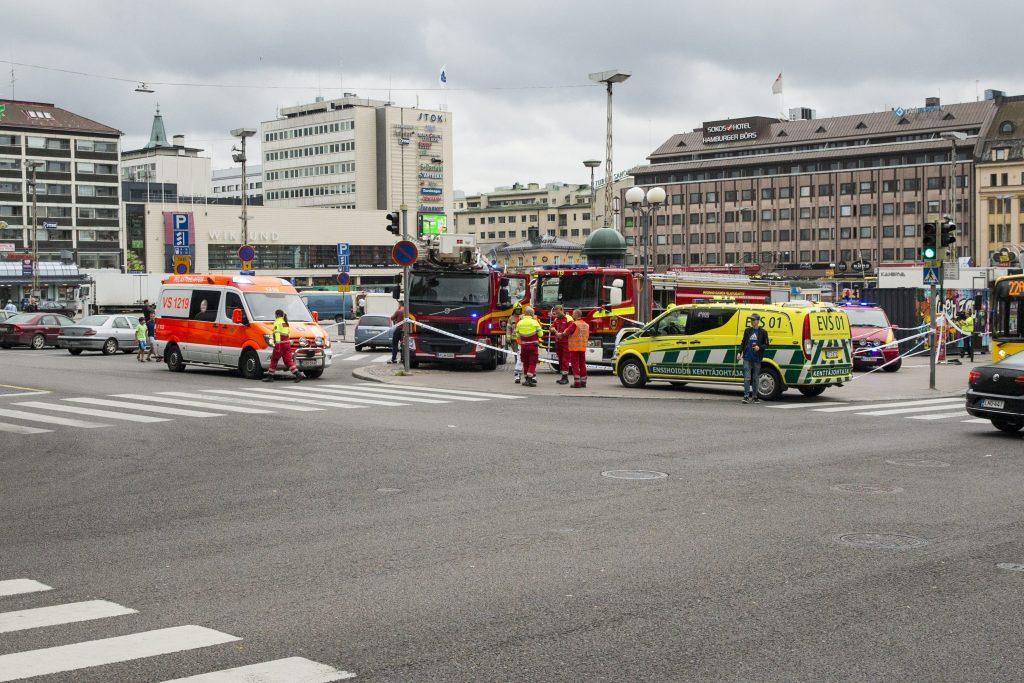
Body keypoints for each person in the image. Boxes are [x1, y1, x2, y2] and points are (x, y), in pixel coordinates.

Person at [262, 309, 304, 382]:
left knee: (274, 359)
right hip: (287, 344)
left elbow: (277, 333)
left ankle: (270, 376)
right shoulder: (285, 322)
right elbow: (288, 333)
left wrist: (277, 344)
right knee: (288, 361)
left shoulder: (277, 322)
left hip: (280, 344)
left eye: (275, 314)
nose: (274, 316)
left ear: (277, 315)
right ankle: (298, 374)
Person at [740, 313, 770, 404]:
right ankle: (746, 396)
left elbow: (767, 344)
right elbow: (743, 342)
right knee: (747, 378)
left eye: (753, 320)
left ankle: (755, 396)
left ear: (757, 321)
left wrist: (759, 347)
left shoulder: (763, 332)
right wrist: (739, 352)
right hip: (747, 357)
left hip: (756, 358)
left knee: (756, 378)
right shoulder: (747, 331)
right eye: (751, 320)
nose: (752, 321)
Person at [515, 306, 544, 387]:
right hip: (533, 346)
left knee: (525, 362)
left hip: (523, 346)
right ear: (532, 313)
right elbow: (541, 334)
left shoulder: (520, 323)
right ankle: (530, 378)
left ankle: (526, 379)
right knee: (532, 362)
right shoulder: (535, 322)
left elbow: (517, 335)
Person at [565, 308, 590, 389]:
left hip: (574, 348)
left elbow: (567, 332)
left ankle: (577, 382)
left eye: (573, 314)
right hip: (582, 347)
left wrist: (560, 333)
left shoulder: (574, 324)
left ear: (576, 315)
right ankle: (583, 382)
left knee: (575, 365)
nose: (572, 315)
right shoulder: (586, 325)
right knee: (582, 364)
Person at [550, 305, 575, 385]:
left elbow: (571, 329)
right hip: (558, 342)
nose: (556, 314)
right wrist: (553, 329)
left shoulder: (568, 318)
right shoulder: (556, 319)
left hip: (566, 342)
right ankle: (563, 376)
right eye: (555, 313)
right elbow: (551, 327)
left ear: (562, 310)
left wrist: (562, 334)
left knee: (565, 359)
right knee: (560, 359)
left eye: (557, 312)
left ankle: (565, 377)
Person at [507, 303, 524, 383]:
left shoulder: (523, 317)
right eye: (517, 309)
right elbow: (508, 328)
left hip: (521, 340)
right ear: (514, 310)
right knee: (516, 355)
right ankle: (518, 369)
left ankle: (519, 370)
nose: (518, 311)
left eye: (519, 309)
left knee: (520, 356)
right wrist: (508, 337)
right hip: (514, 340)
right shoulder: (511, 318)